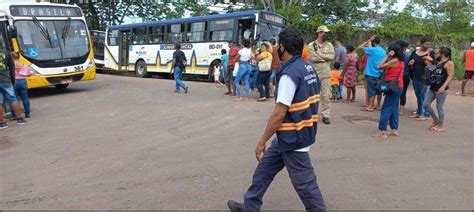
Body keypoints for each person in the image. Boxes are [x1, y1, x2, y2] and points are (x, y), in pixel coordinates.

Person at [227, 27, 326, 212]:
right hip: (291, 135)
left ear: (282, 48)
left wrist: (262, 141)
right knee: (264, 171)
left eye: (276, 46)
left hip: (294, 137)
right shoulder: (307, 67)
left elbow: (279, 113)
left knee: (306, 185)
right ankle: (250, 206)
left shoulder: (290, 74)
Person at [372, 44, 404, 139]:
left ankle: (382, 131)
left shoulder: (394, 61)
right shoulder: (400, 61)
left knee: (386, 108)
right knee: (393, 108)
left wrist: (387, 56)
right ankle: (394, 129)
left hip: (392, 87)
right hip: (398, 86)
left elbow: (379, 66)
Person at [307, 25, 335, 124]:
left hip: (326, 72)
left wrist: (320, 55)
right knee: (313, 94)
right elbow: (312, 58)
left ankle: (326, 115)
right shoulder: (311, 45)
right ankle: (311, 114)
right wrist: (324, 57)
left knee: (326, 95)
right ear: (319, 33)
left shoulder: (329, 45)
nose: (325, 34)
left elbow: (332, 57)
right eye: (324, 32)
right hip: (315, 72)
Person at [423, 47, 455, 132]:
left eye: (437, 53)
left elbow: (451, 76)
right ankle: (435, 119)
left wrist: (443, 87)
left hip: (441, 89)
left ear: (443, 54)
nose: (436, 54)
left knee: (439, 106)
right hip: (433, 87)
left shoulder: (449, 63)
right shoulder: (438, 61)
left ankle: (440, 125)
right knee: (426, 104)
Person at [408, 36, 434, 120]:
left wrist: (431, 60)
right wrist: (410, 63)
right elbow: (408, 63)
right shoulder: (414, 52)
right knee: (418, 95)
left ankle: (425, 114)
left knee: (424, 96)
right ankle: (419, 112)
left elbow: (437, 65)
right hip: (415, 77)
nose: (428, 45)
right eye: (426, 44)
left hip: (425, 79)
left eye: (429, 44)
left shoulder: (431, 53)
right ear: (421, 43)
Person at [1, 50, 27, 129]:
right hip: (6, 80)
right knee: (12, 99)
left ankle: (2, 123)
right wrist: (12, 80)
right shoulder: (6, 53)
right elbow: (12, 68)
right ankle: (19, 119)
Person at [358, 35, 385, 112]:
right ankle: (378, 105)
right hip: (380, 73)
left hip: (371, 73)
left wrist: (368, 40)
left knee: (371, 90)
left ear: (373, 42)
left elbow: (360, 47)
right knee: (379, 90)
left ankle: (370, 106)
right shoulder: (383, 51)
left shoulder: (372, 50)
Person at [12, 51, 32, 118]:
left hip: (14, 82)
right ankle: (27, 113)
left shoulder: (10, 65)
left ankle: (15, 114)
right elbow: (29, 74)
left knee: (14, 99)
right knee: (25, 98)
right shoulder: (24, 64)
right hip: (22, 81)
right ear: (19, 56)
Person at [396, 40, 411, 115]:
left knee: (394, 92)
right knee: (403, 93)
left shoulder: (396, 55)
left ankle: (394, 108)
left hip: (397, 76)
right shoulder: (409, 55)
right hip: (406, 75)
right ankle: (401, 110)